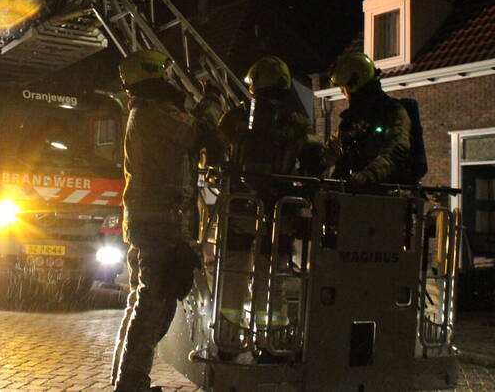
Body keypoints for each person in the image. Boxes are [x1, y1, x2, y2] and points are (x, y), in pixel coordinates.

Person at [111, 49, 204, 392]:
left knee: (142, 300)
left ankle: (125, 379)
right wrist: (207, 110)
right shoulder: (154, 111)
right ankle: (131, 383)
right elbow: (194, 133)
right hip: (157, 222)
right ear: (151, 75)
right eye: (163, 74)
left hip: (149, 220)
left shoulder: (144, 109)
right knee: (153, 305)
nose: (168, 80)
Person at [218, 56, 323, 337]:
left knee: (233, 273)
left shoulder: (235, 117)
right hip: (279, 210)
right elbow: (313, 164)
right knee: (272, 276)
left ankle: (227, 337)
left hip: (239, 207)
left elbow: (215, 148)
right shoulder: (297, 123)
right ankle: (272, 338)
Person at [325, 52, 419, 190]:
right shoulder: (351, 121)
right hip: (352, 196)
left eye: (343, 89)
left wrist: (367, 176)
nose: (342, 93)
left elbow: (395, 151)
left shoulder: (393, 112)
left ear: (353, 84)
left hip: (388, 198)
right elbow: (333, 149)